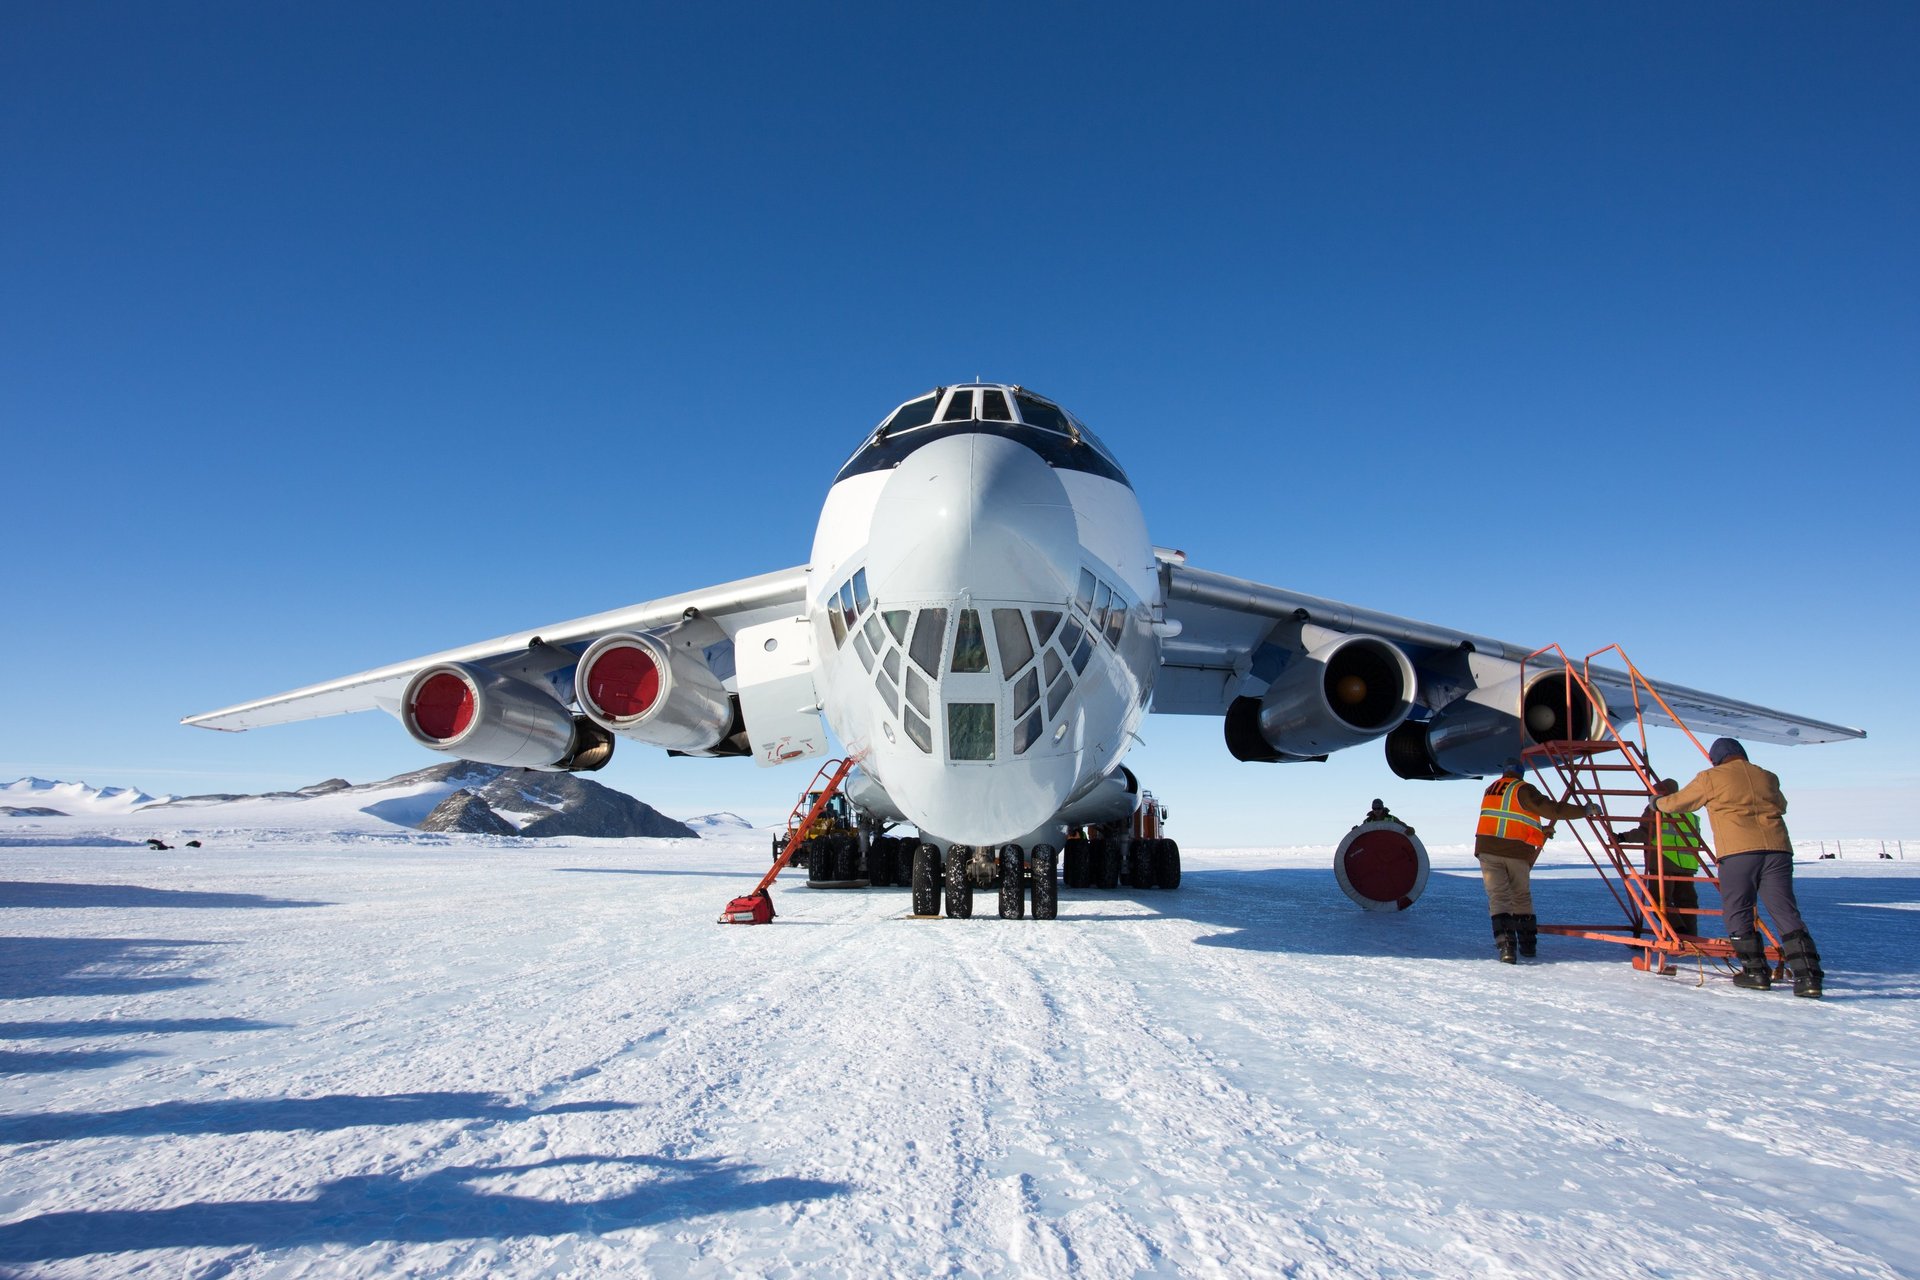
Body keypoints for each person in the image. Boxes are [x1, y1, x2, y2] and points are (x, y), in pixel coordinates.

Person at [1657, 737, 1823, 998]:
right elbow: (1782, 806)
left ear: (1716, 758)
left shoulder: (1711, 777)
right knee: (1786, 911)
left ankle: (1754, 972)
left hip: (1738, 853)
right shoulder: (1767, 776)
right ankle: (1808, 977)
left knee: (1738, 910)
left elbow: (1679, 803)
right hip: (1778, 850)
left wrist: (1657, 803)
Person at [1475, 758, 1595, 963]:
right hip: (1515, 853)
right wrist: (1583, 811)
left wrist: (1540, 832)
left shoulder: (1491, 789)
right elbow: (1551, 810)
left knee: (1499, 898)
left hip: (1488, 851)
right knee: (1521, 897)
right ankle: (1528, 945)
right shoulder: (1523, 789)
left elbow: (1507, 821)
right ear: (1521, 773)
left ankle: (1506, 949)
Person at [1617, 778, 1703, 936]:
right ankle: (1691, 937)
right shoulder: (1688, 812)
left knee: (1659, 903)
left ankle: (1678, 933)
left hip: (1664, 863)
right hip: (1687, 865)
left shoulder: (1657, 809)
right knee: (1686, 903)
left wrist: (1622, 837)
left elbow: (1645, 833)